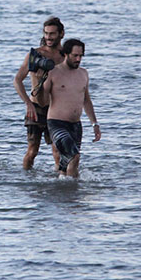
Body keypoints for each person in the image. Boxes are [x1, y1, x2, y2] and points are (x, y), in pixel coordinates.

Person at [42, 38, 101, 178]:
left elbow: (86, 100)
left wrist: (95, 123)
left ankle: (63, 193)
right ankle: (74, 193)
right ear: (66, 54)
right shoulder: (53, 73)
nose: (78, 59)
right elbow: (42, 100)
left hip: (76, 125)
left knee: (66, 164)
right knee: (74, 156)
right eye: (75, 55)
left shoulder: (83, 73)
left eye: (81, 56)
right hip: (56, 123)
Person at [13, 17, 66, 170]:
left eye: (52, 34)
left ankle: (61, 183)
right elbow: (17, 80)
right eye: (46, 33)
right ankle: (26, 181)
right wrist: (28, 104)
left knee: (58, 151)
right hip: (35, 108)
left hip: (56, 110)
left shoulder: (65, 57)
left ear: (61, 34)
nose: (48, 37)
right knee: (32, 151)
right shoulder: (35, 55)